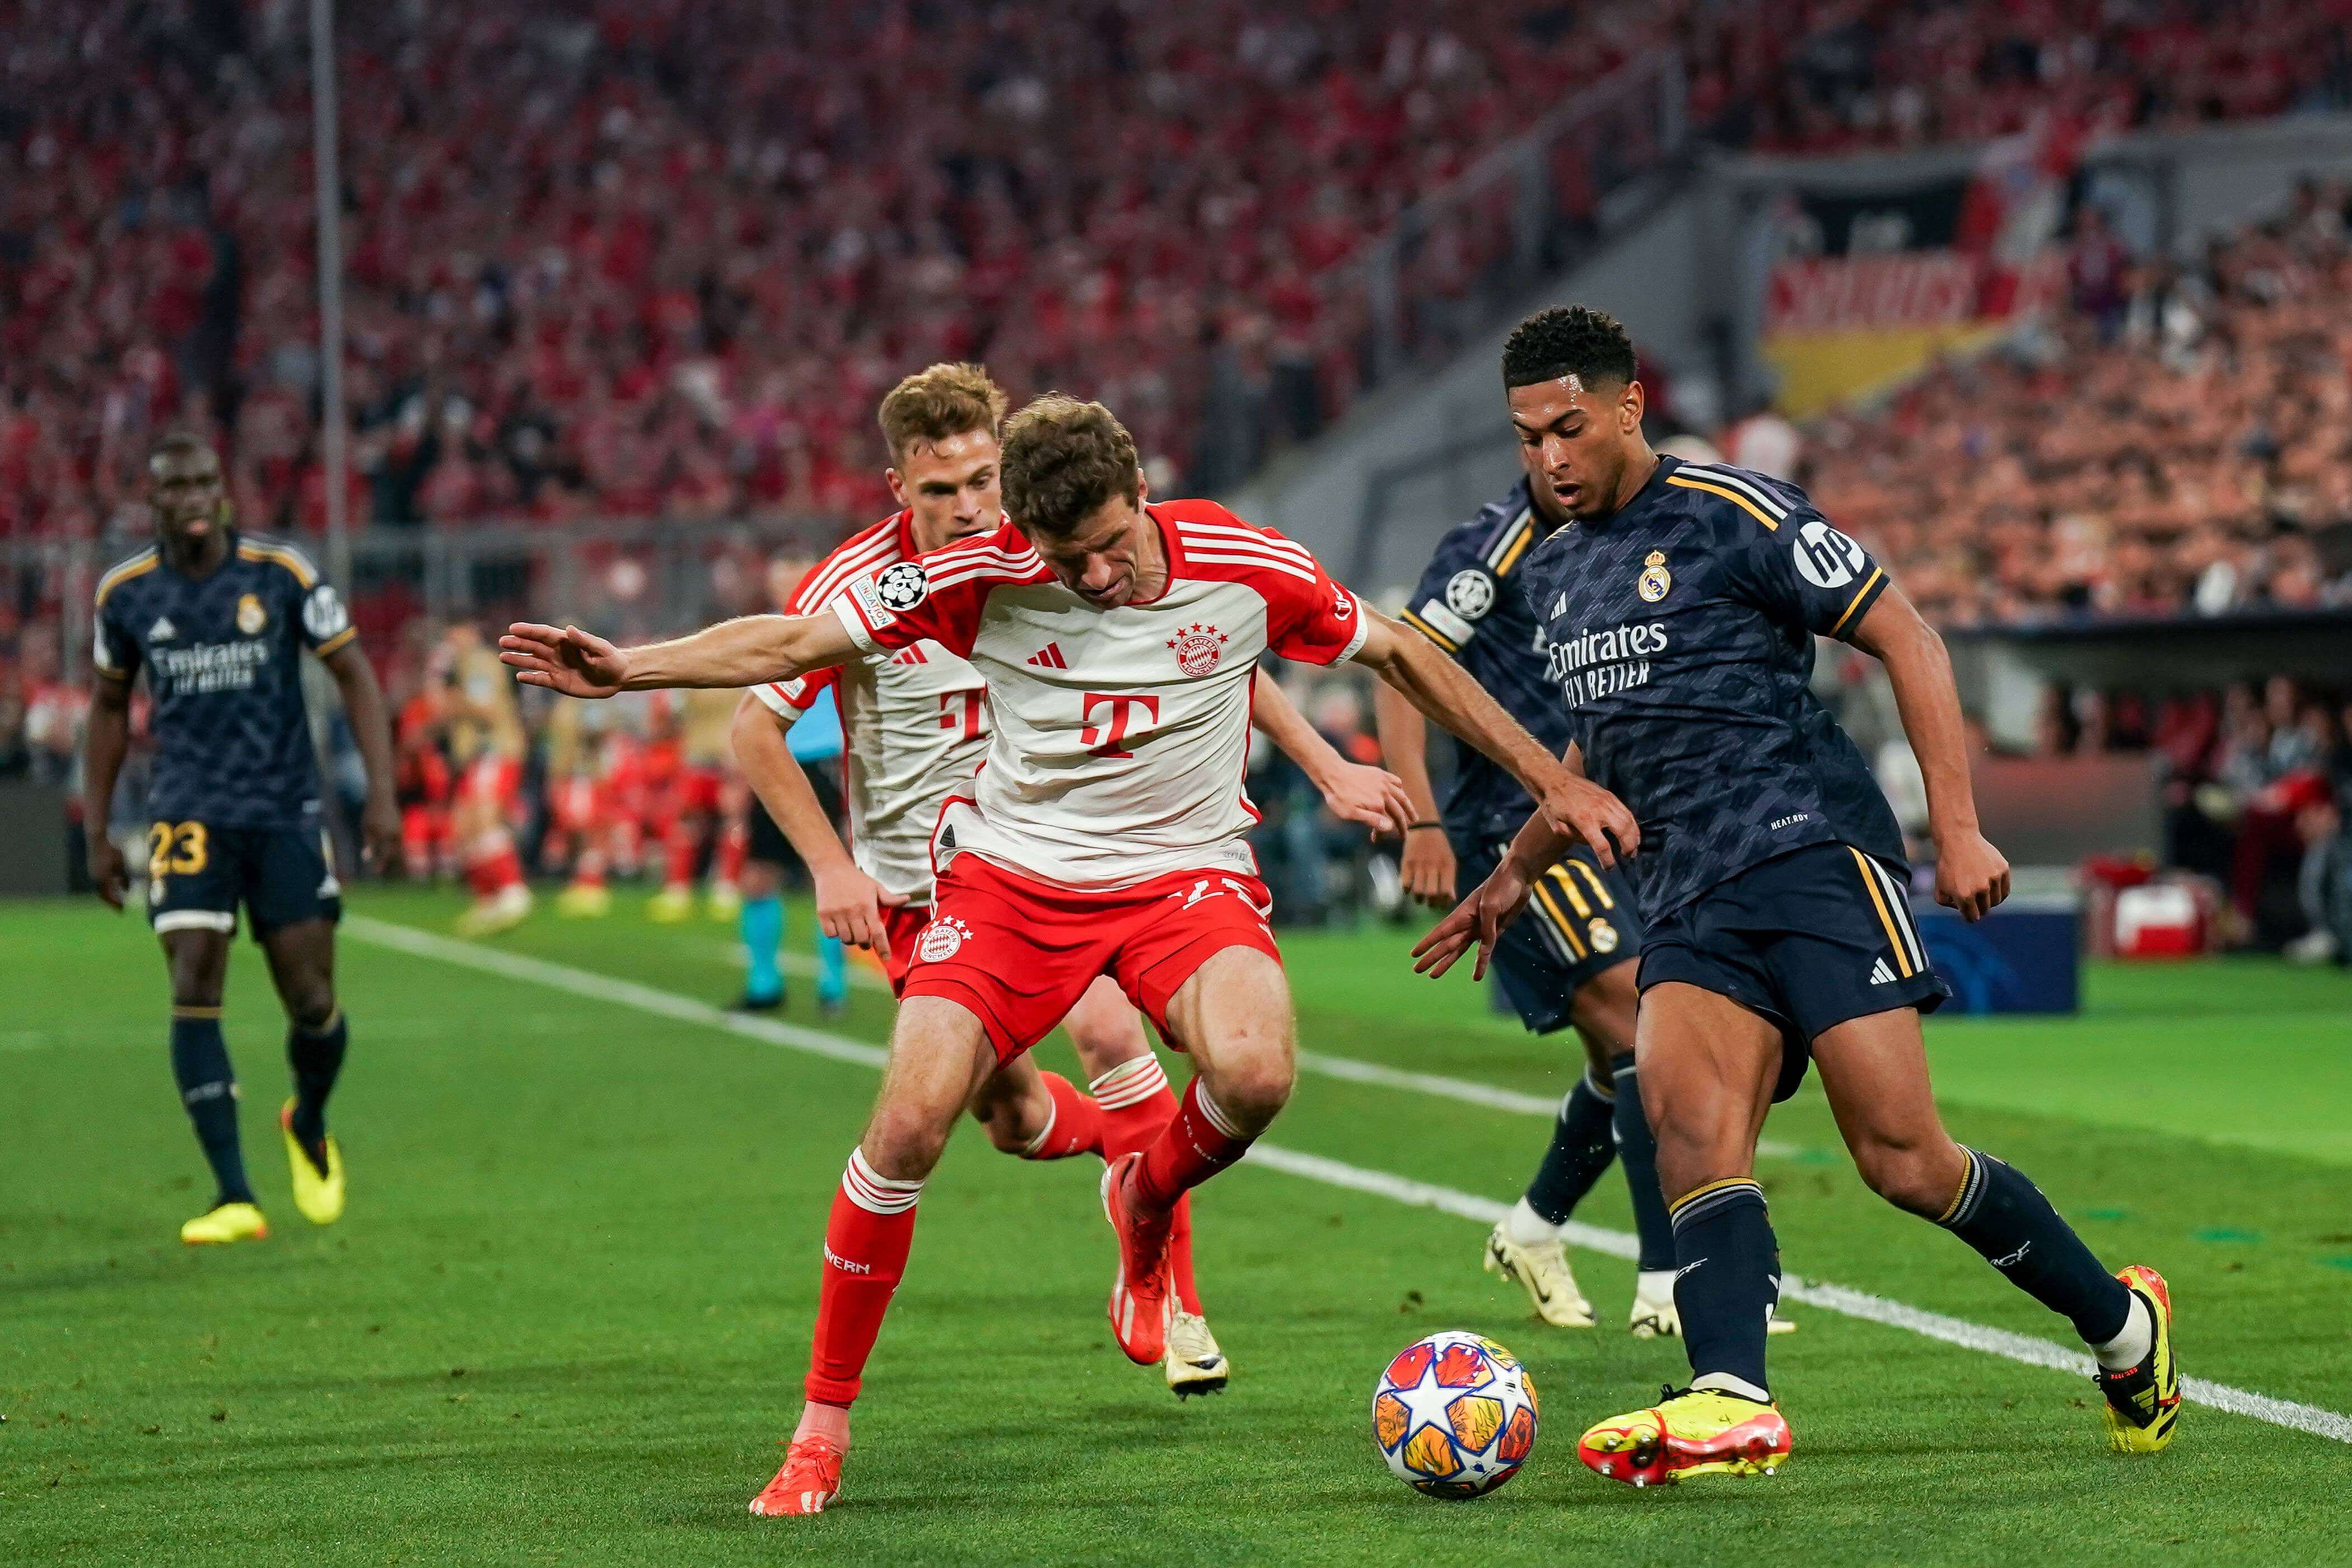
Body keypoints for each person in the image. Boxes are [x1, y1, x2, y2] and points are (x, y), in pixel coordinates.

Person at [500, 391, 1637, 1519]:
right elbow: (793, 641)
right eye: (1063, 558)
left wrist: (1554, 777)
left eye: (1104, 549)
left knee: (1257, 1072)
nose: (1090, 578)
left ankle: (1145, 1197)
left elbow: (1400, 651)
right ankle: (819, 1429)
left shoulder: (1243, 558)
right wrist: (629, 667)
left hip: (1184, 878)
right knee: (906, 1124)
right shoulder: (976, 575)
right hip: (1012, 884)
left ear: (1142, 495)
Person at [1415, 306, 2178, 1485]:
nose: (1550, 459)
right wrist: (1511, 877)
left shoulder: (1740, 514)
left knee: (1906, 1161)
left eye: (1569, 428)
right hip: (1682, 892)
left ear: (1628, 404)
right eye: (1527, 439)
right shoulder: (1553, 572)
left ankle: (2124, 1327)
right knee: (1688, 1130)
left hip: (1812, 853)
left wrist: (1961, 826)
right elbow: (1602, 754)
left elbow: (1910, 639)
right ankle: (1732, 1393)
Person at [730, 362, 1415, 1399]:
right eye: (940, 491)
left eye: (980, 482)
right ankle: (1119, 1163)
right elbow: (755, 719)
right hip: (922, 890)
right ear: (896, 490)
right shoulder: (872, 586)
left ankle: (1174, 1299)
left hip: (1057, 857)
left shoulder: (1060, 552)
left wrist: (1325, 764)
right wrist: (831, 866)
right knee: (1001, 1121)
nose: (969, 508)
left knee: (1114, 1039)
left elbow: (1206, 656)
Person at [1377, 484, 1788, 1341]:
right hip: (1515, 831)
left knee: (1627, 1058)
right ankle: (1668, 1280)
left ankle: (1532, 1230)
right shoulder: (1488, 550)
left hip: (1621, 822)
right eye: (1536, 437)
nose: (1557, 457)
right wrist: (1421, 817)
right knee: (1641, 1021)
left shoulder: (1641, 536)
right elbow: (1401, 666)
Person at [80, 433, 400, 1244]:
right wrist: (96, 827)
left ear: (223, 491)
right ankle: (233, 1195)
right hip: (187, 811)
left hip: (284, 808)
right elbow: (110, 709)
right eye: (173, 484)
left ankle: (309, 1119)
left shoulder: (280, 574)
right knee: (193, 975)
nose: (191, 496)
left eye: (202, 482)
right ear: (152, 500)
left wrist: (381, 800)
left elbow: (353, 671)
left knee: (313, 998)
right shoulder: (126, 594)